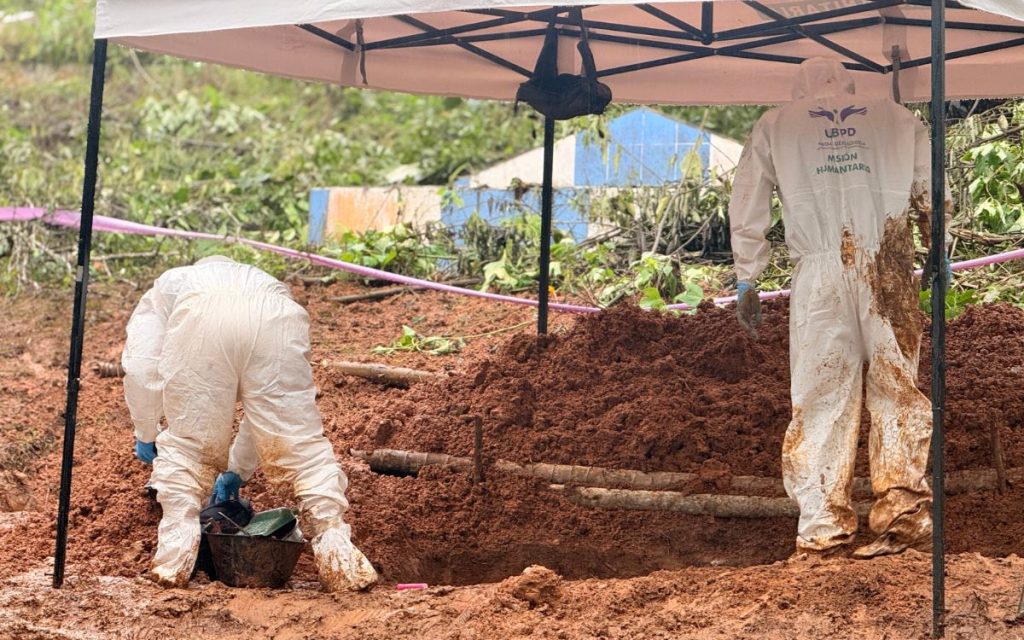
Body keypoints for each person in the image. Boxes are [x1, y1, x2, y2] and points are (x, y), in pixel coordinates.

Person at [729, 57, 951, 559]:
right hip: (889, 264)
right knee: (898, 390)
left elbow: (748, 200)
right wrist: (938, 247)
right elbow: (930, 188)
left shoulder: (777, 123)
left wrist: (748, 275)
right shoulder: (896, 116)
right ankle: (904, 517)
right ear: (851, 83)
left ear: (800, 87)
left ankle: (823, 527)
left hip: (820, 274)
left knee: (821, 396)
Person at [122, 255, 378, 590]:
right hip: (279, 319)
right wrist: (236, 471)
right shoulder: (261, 283)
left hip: (201, 319)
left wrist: (146, 430)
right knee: (301, 448)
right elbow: (266, 415)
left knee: (189, 447)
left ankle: (173, 564)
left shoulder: (170, 285)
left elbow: (141, 365)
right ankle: (340, 557)